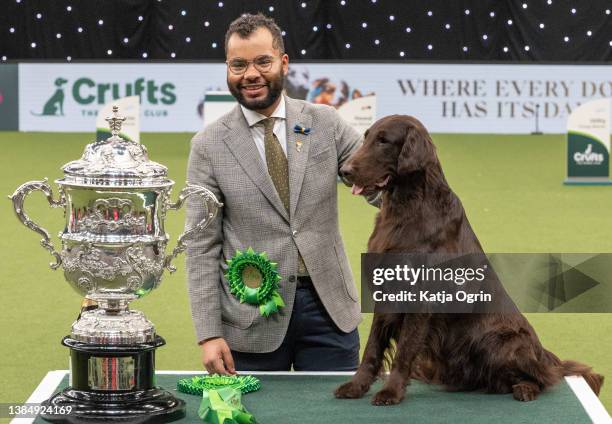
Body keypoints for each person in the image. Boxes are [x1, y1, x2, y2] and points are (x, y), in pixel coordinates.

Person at [185, 13, 370, 374]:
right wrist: (208, 334)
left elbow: (377, 181)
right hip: (249, 318)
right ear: (227, 69)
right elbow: (201, 246)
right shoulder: (207, 146)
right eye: (238, 64)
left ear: (283, 63)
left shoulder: (325, 122)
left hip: (330, 311)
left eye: (262, 61)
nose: (250, 74)